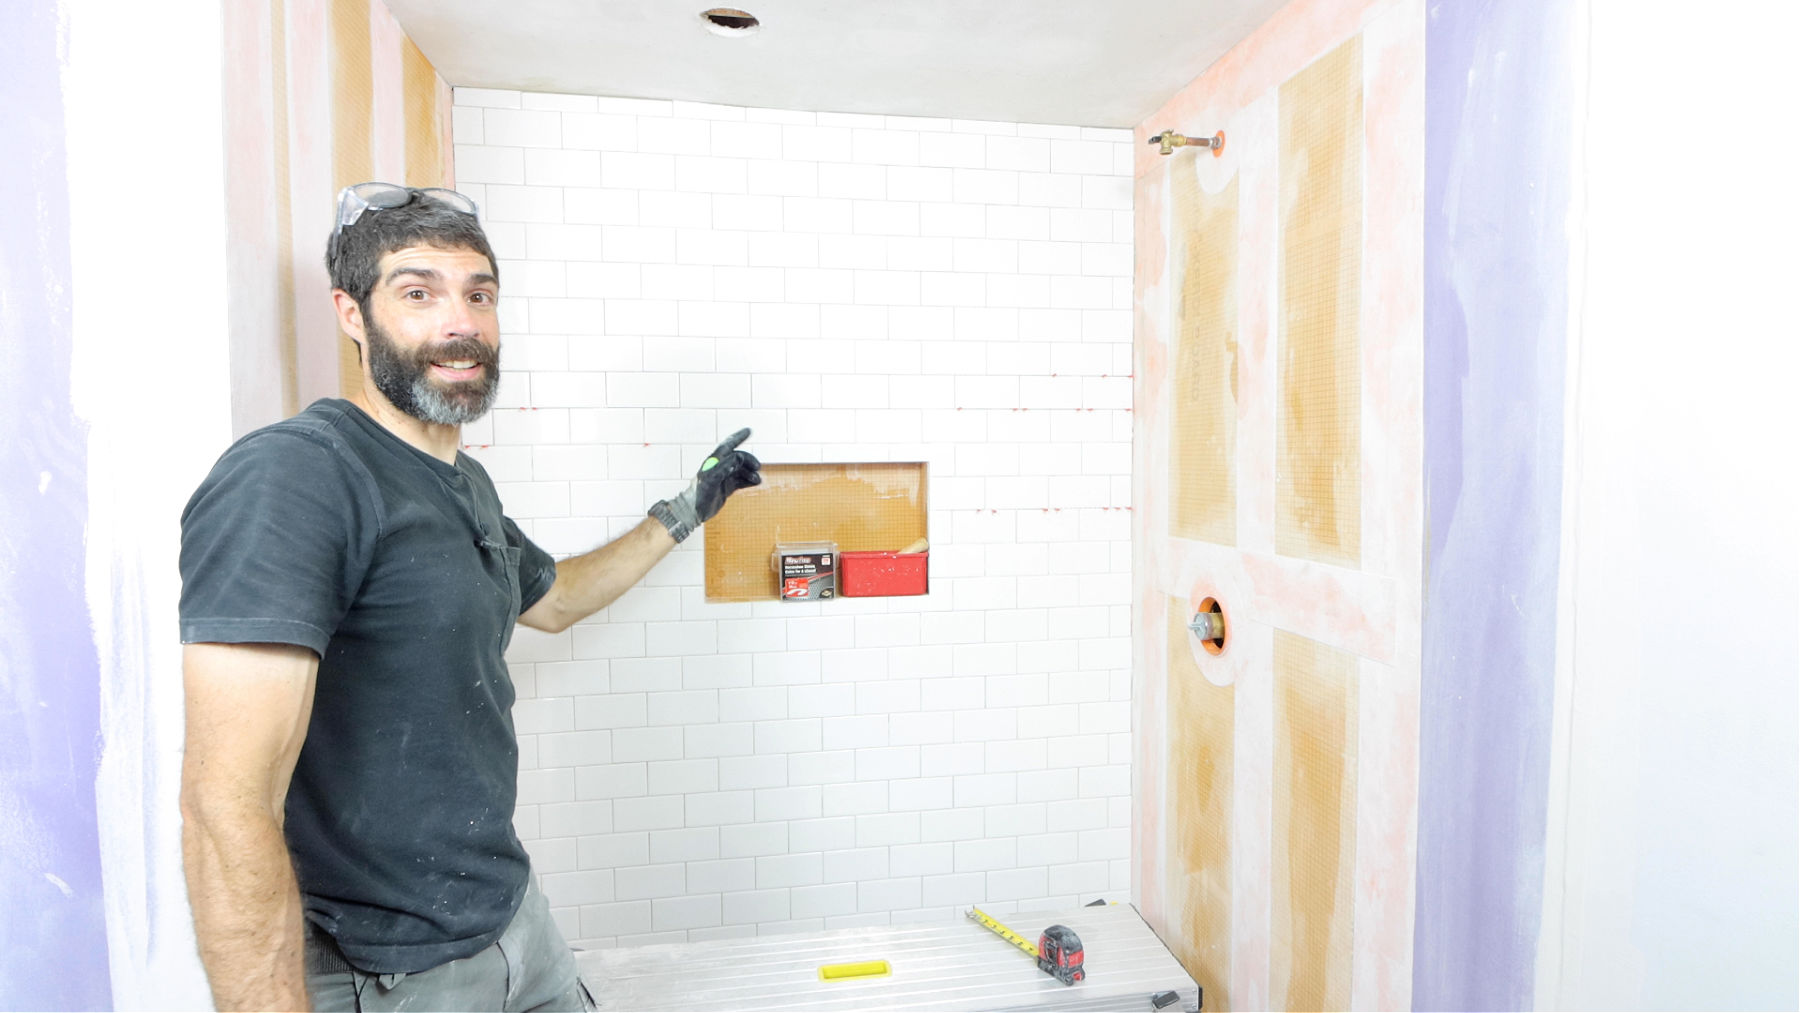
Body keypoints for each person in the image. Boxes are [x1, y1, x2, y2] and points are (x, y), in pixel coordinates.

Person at [177, 181, 760, 1012]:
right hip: (390, 969)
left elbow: (556, 599)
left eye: (477, 293)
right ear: (353, 313)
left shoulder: (464, 484)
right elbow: (223, 808)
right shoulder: (299, 476)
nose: (460, 322)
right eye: (418, 293)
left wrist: (685, 511)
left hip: (514, 924)